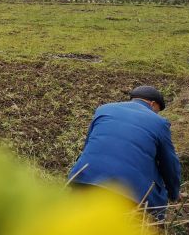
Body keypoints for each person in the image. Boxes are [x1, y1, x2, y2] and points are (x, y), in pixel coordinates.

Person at [67, 85, 181, 219]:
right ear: (152, 103)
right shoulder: (159, 123)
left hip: (83, 177)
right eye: (157, 110)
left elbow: (88, 144)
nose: (156, 113)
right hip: (127, 191)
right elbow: (169, 163)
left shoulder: (104, 109)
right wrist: (174, 192)